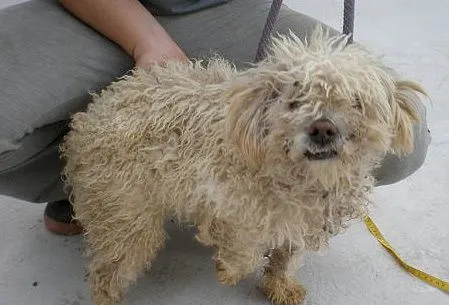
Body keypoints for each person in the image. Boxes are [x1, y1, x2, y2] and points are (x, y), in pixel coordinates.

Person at [0, 0, 431, 235]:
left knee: (401, 136)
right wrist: (148, 42)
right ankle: (100, 186)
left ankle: (259, 196)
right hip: (90, 9)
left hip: (225, 8)